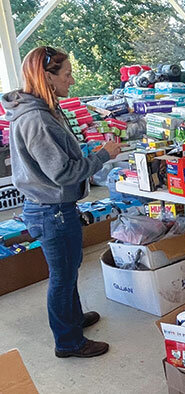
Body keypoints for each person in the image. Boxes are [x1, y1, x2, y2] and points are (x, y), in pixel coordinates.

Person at [2, 46, 123, 358]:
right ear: (47, 77)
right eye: (66, 75)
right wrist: (102, 156)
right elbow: (63, 173)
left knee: (69, 268)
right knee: (62, 275)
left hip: (53, 207)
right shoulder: (36, 119)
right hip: (50, 210)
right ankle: (68, 342)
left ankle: (72, 319)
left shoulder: (43, 111)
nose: (71, 81)